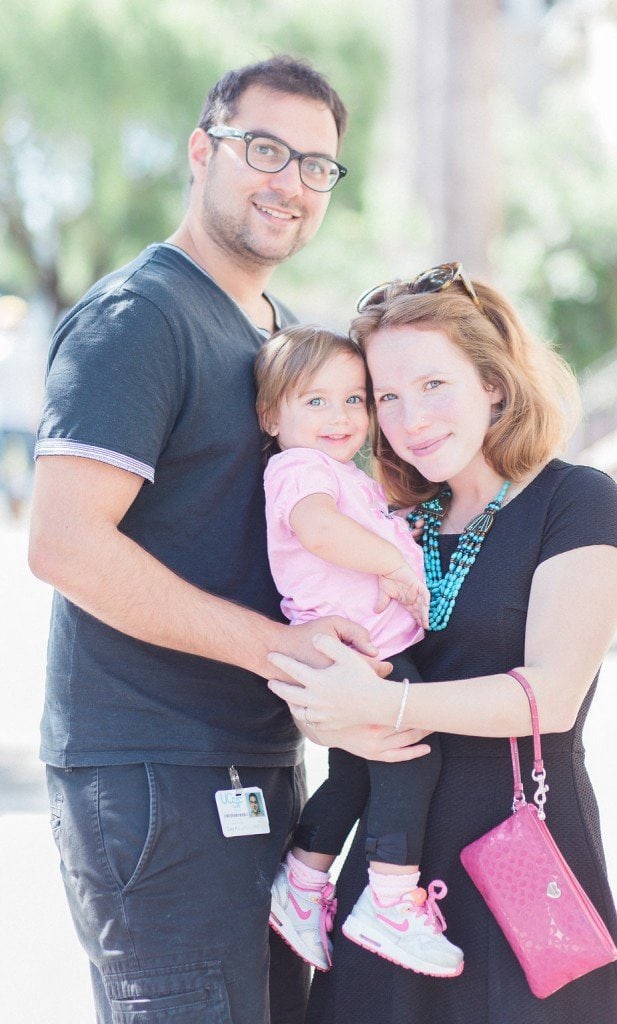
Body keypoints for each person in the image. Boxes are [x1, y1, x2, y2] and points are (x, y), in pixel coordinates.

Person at [28, 55, 427, 1024]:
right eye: (263, 149)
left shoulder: (280, 340)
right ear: (201, 150)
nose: (289, 181)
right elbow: (65, 545)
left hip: (256, 759)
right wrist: (280, 649)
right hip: (155, 771)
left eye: (316, 165)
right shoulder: (139, 320)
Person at [267, 262, 617, 1024]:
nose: (408, 419)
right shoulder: (388, 525)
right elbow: (335, 676)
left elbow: (552, 695)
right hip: (390, 882)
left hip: (520, 861)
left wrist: (382, 701)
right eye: (386, 397)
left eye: (433, 385)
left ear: (493, 384)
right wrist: (325, 703)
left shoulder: (574, 501)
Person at [254, 324, 463, 978]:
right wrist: (393, 570)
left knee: (351, 776)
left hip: (364, 649)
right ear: (270, 415)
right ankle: (392, 899)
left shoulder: (345, 474)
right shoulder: (299, 469)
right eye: (314, 401)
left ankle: (302, 882)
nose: (339, 416)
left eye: (353, 400)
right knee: (411, 759)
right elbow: (315, 530)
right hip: (356, 653)